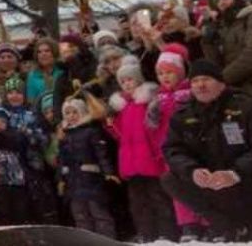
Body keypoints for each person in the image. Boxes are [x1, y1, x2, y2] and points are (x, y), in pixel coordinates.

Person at [160, 59, 252, 241]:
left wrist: (235, 173)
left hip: (247, 181)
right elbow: (172, 149)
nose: (200, 85)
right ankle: (224, 227)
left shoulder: (246, 106)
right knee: (170, 178)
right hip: (213, 184)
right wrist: (193, 171)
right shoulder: (183, 115)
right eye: (195, 81)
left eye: (206, 79)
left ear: (221, 83)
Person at [106, 62, 177, 242]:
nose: (127, 84)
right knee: (138, 202)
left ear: (138, 80)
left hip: (150, 160)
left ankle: (167, 233)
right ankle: (147, 234)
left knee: (158, 198)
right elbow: (120, 135)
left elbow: (155, 132)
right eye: (123, 81)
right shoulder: (123, 107)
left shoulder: (147, 102)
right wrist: (111, 125)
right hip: (131, 163)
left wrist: (158, 155)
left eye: (130, 79)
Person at [148, 43, 205, 241]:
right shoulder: (158, 98)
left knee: (198, 184)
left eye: (169, 72)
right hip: (167, 151)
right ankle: (188, 225)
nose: (165, 77)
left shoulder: (189, 93)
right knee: (177, 190)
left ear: (180, 73)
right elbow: (153, 129)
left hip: (190, 148)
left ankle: (206, 221)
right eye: (161, 73)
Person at [58, 97, 117, 238]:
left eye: (74, 112)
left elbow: (101, 153)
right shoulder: (64, 136)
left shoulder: (91, 131)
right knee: (80, 215)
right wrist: (60, 178)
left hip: (91, 179)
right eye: (67, 113)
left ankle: (106, 240)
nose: (71, 116)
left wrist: (108, 172)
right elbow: (62, 159)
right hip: (72, 181)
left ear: (82, 113)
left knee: (98, 212)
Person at [3, 76, 59, 224]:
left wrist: (29, 135)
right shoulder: (2, 114)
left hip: (34, 163)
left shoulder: (32, 113)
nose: (14, 96)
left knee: (40, 197)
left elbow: (42, 137)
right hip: (13, 164)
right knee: (20, 202)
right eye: (10, 92)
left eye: (18, 92)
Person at [0, 106, 29, 226]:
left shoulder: (12, 136)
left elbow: (20, 146)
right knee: (2, 212)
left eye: (3, 121)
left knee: (19, 212)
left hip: (16, 181)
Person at [54, 33, 98, 103]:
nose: (66, 50)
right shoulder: (62, 76)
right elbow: (57, 102)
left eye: (70, 46)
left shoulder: (94, 67)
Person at [26, 38, 62, 104]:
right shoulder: (33, 76)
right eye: (39, 52)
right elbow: (31, 101)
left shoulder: (62, 72)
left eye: (47, 51)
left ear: (54, 52)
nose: (43, 54)